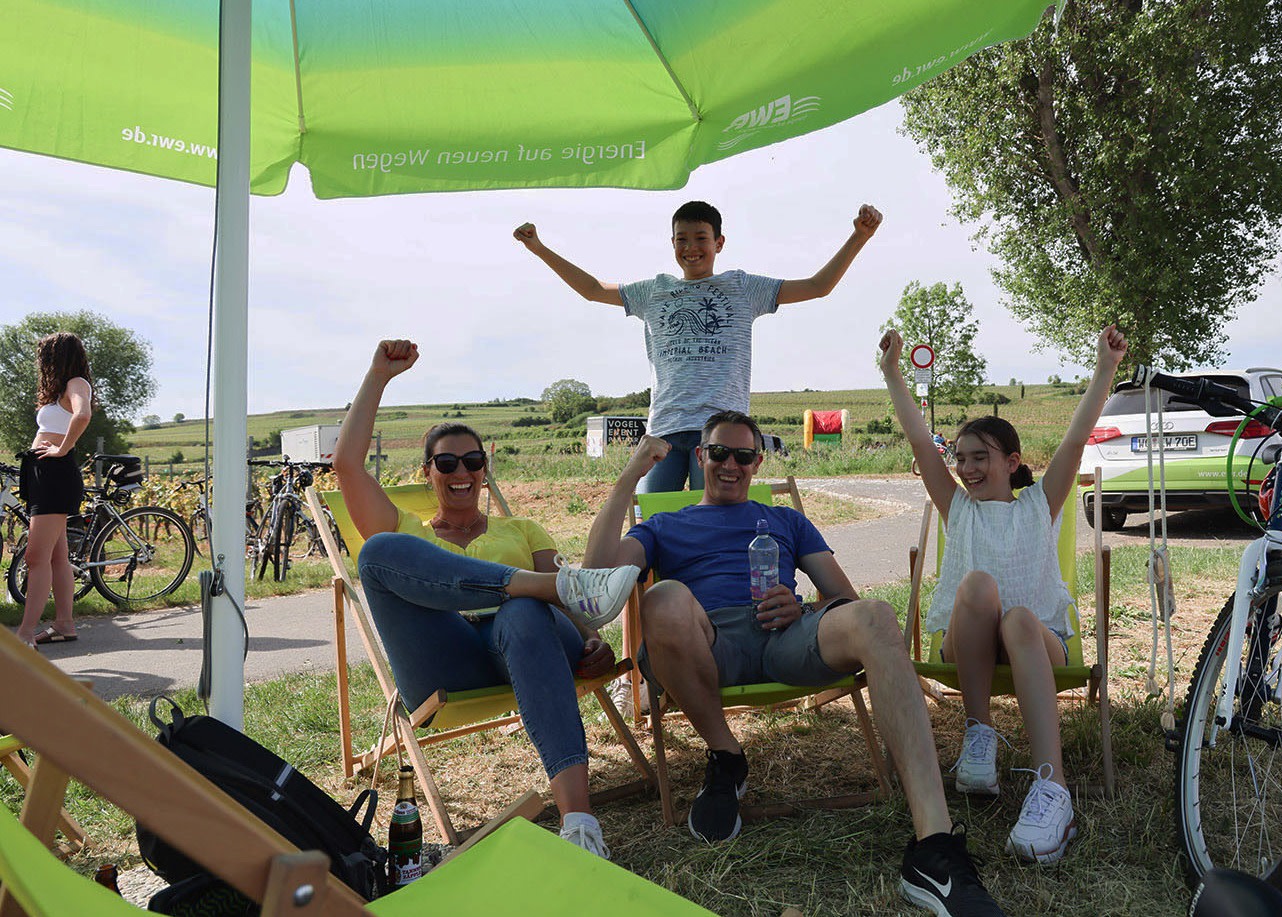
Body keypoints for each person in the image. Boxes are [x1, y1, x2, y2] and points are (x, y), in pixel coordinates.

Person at [583, 410, 1010, 917]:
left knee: (875, 617)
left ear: (757, 462)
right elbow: (596, 572)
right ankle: (726, 756)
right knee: (664, 598)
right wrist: (631, 473)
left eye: (744, 455)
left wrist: (804, 607)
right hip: (707, 644)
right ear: (700, 457)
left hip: (786, 638)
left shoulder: (787, 521)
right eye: (719, 453)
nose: (730, 465)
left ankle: (934, 847)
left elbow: (844, 599)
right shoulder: (664, 525)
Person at [331, 339, 641, 858]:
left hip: (533, 640)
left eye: (472, 461)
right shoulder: (403, 528)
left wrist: (592, 639)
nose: (461, 472)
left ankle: (581, 824)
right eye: (446, 463)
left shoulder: (522, 526)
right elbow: (345, 464)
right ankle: (540, 584)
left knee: (523, 610)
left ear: (484, 469)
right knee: (379, 551)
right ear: (426, 472)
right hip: (449, 659)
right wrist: (378, 377)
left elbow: (566, 616)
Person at [878, 324, 1128, 865]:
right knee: (979, 586)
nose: (965, 468)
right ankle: (980, 735)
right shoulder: (957, 508)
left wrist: (1104, 370)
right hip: (965, 643)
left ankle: (1052, 790)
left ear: (1012, 462)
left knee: (1016, 617)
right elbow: (922, 441)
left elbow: (1075, 438)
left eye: (979, 457)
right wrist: (893, 373)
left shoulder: (1040, 505)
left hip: (1035, 642)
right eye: (961, 458)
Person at [514, 200, 883, 493]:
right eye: (682, 239)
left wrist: (859, 238)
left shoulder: (742, 287)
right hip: (665, 428)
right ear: (672, 243)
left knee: (712, 521)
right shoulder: (653, 291)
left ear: (719, 242)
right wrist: (538, 248)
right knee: (653, 518)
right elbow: (592, 289)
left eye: (701, 238)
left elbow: (818, 286)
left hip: (720, 431)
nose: (691, 248)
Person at [16, 332, 93, 649]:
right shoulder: (60, 389)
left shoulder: (77, 383)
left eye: (45, 357)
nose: (42, 363)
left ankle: (23, 635)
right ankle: (64, 624)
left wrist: (62, 448)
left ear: (58, 357)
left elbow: (83, 414)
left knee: (35, 558)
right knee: (57, 557)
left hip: (55, 474)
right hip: (42, 473)